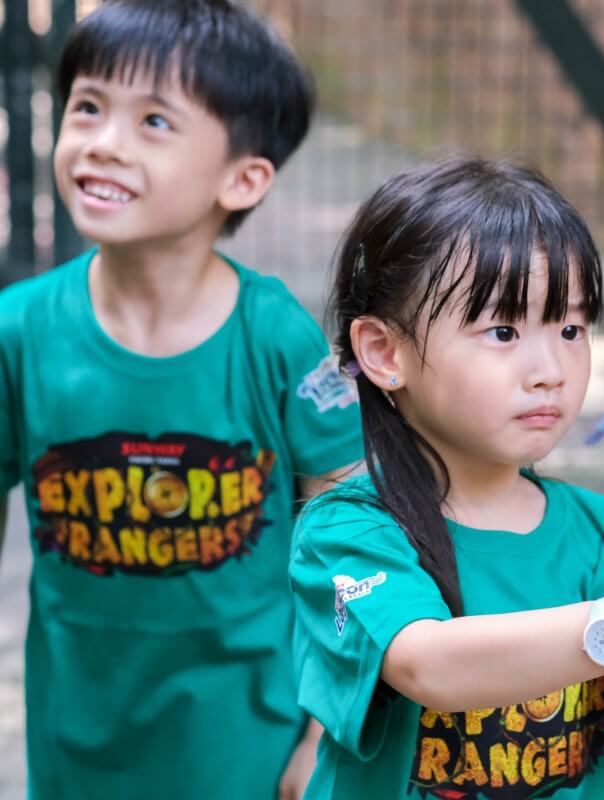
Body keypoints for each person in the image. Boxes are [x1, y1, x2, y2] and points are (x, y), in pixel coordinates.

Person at [290, 158, 604, 799]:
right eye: (502, 330)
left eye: (572, 328)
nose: (550, 368)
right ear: (385, 353)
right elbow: (428, 663)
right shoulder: (348, 529)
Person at [0, 1, 363, 797]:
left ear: (243, 178)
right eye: (88, 107)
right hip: (75, 744)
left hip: (250, 747)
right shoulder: (16, 332)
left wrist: (327, 726)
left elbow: (349, 544)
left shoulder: (279, 340)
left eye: (154, 122)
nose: (102, 141)